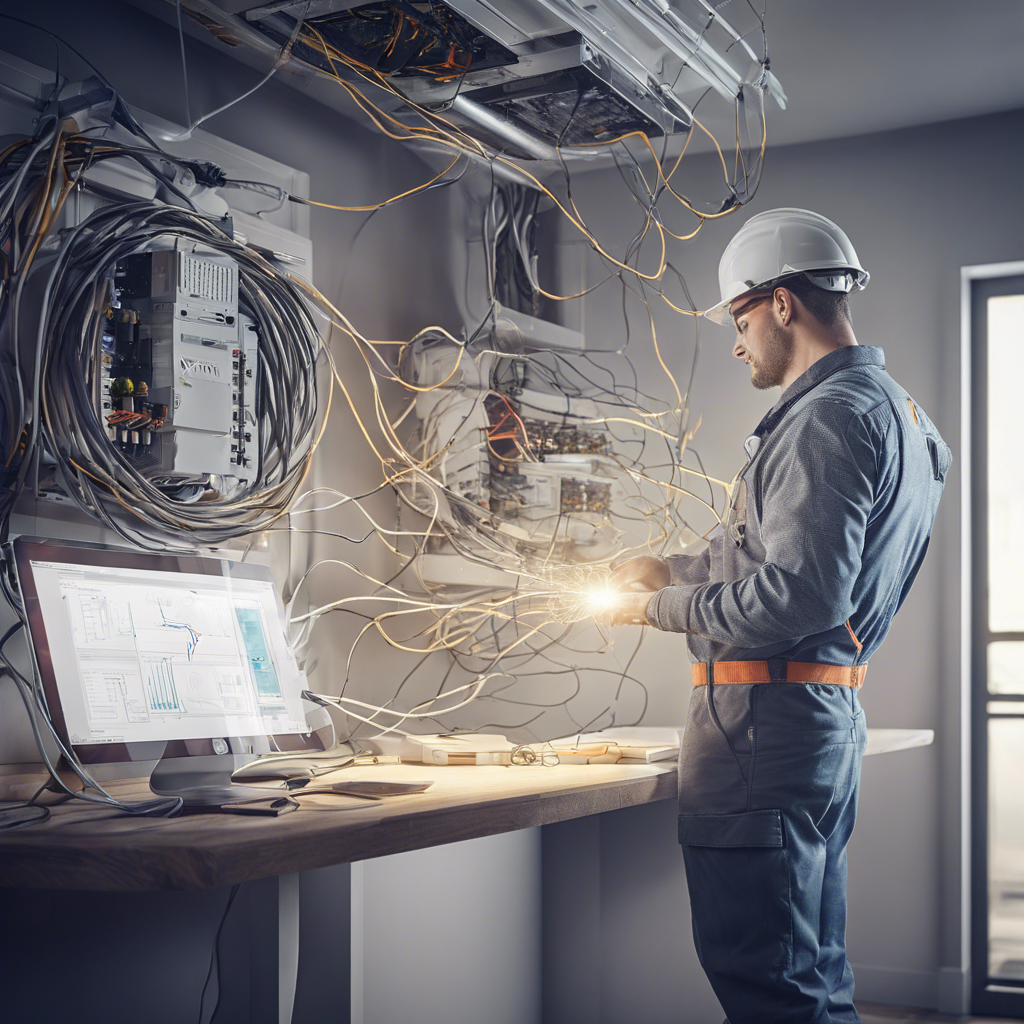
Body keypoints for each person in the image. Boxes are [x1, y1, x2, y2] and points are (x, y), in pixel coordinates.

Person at [605, 208, 950, 1024]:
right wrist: (675, 567)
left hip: (765, 734)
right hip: (816, 724)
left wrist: (655, 604)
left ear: (782, 304)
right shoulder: (900, 414)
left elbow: (798, 596)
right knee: (809, 972)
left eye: (740, 317)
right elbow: (805, 566)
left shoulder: (824, 416)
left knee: (772, 986)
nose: (737, 342)